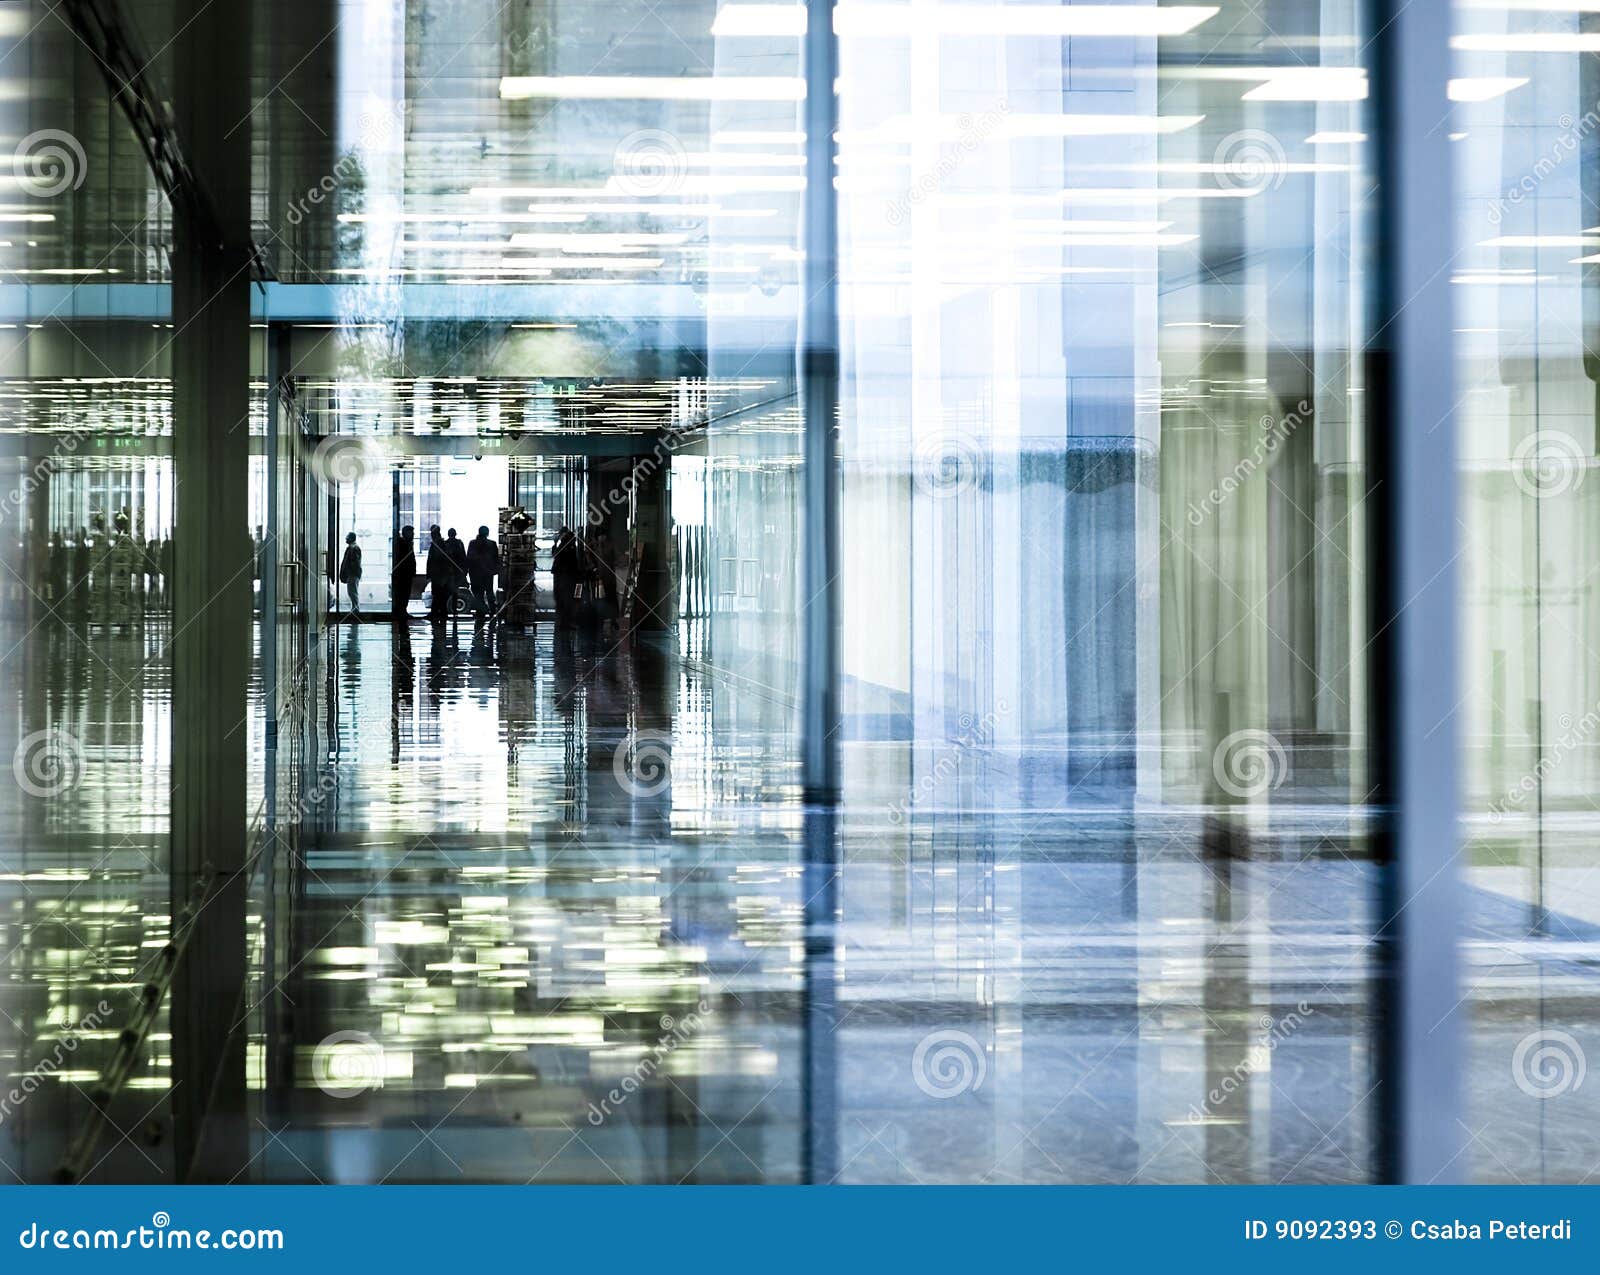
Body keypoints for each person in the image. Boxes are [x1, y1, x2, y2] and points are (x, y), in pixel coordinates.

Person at [466, 524, 499, 618]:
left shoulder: (472, 543)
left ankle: (481, 611)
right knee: (489, 592)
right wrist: (494, 570)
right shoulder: (492, 544)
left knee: (478, 593)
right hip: (488, 573)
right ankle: (492, 610)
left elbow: (469, 558)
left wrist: (467, 570)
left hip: (475, 573)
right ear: (487, 533)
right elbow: (496, 558)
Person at [551, 526, 580, 635]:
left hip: (562, 576)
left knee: (562, 600)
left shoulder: (564, 546)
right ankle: (565, 622)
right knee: (567, 600)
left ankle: (563, 622)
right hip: (567, 577)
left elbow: (555, 555)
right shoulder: (569, 548)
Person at [426, 525, 453, 620]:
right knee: (440, 595)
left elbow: (433, 560)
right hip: (441, 574)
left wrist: (430, 573)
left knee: (438, 594)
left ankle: (436, 613)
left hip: (438, 574)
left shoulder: (437, 544)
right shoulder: (442, 544)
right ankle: (440, 613)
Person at [391, 524, 417, 621]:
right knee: (403, 592)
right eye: (412, 533)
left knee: (405, 592)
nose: (413, 535)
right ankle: (401, 611)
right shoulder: (403, 544)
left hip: (406, 573)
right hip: (403, 574)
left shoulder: (407, 543)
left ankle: (402, 611)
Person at [338, 531, 362, 618]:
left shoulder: (353, 548)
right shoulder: (353, 547)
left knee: (352, 592)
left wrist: (349, 572)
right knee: (352, 591)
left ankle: (355, 609)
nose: (346, 538)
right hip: (353, 573)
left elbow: (354, 562)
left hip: (353, 574)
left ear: (351, 538)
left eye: (347, 537)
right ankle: (354, 608)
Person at [444, 528, 469, 616]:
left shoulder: (446, 543)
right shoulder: (458, 543)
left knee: (450, 592)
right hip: (456, 571)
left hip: (451, 572)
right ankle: (453, 610)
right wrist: (465, 570)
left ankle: (450, 610)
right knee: (454, 592)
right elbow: (464, 557)